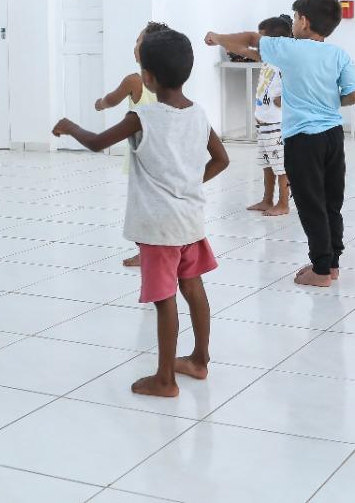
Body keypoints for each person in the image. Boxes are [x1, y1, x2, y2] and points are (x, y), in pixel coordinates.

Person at [52, 29, 229, 398]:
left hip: (158, 228)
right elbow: (222, 159)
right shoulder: (199, 115)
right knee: (193, 288)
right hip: (191, 221)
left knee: (164, 300)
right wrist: (191, 184)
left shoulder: (142, 116)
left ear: (146, 76)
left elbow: (99, 143)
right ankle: (199, 359)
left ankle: (165, 379)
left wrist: (70, 127)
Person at [206, 0, 355, 288]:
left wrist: (217, 36)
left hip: (303, 140)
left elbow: (252, 38)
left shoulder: (289, 49)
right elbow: (354, 94)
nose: (292, 23)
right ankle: (331, 264)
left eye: (293, 18)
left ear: (303, 21)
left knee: (310, 204)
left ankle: (320, 270)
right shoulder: (338, 54)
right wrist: (326, 103)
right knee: (331, 203)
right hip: (333, 137)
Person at [95, 20, 171, 269]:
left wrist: (101, 104)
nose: (134, 45)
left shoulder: (134, 80)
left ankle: (146, 252)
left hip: (142, 154)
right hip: (165, 153)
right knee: (160, 202)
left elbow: (111, 99)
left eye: (138, 41)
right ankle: (164, 246)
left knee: (141, 205)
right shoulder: (170, 79)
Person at [248, 15, 293, 217]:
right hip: (263, 124)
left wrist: (286, 100)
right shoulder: (268, 60)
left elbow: (297, 85)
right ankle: (267, 200)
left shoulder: (284, 63)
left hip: (276, 124)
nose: (259, 43)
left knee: (280, 167)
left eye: (262, 39)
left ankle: (283, 203)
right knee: (266, 165)